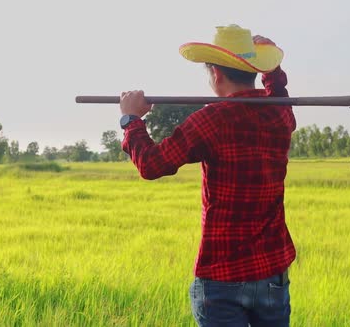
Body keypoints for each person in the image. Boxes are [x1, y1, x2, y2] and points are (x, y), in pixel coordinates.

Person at [119, 24, 296, 327]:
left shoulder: (211, 120)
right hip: (272, 275)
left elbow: (151, 164)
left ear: (215, 74)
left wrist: (131, 120)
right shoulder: (279, 113)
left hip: (222, 278)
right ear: (252, 70)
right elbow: (277, 94)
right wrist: (273, 71)